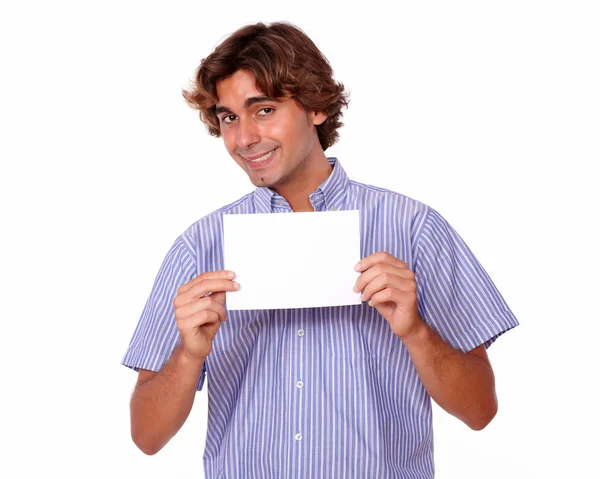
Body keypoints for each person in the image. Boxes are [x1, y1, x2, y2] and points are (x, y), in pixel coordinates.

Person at [122, 21, 519, 479]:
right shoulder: (200, 246)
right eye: (229, 117)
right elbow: (146, 437)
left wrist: (414, 331)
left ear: (314, 107)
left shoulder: (414, 229)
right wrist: (189, 356)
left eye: (263, 109)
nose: (244, 137)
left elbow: (481, 410)